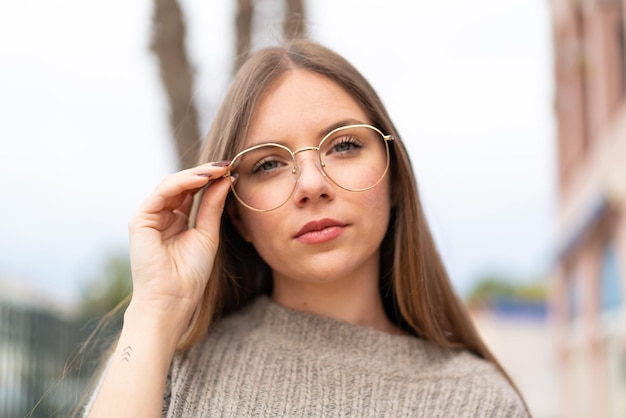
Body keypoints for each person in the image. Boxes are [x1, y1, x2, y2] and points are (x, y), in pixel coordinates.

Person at [84, 40, 529, 417]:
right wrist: (156, 308)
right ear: (235, 213)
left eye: (345, 145)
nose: (311, 185)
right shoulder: (167, 366)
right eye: (270, 163)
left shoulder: (477, 402)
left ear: (394, 177)